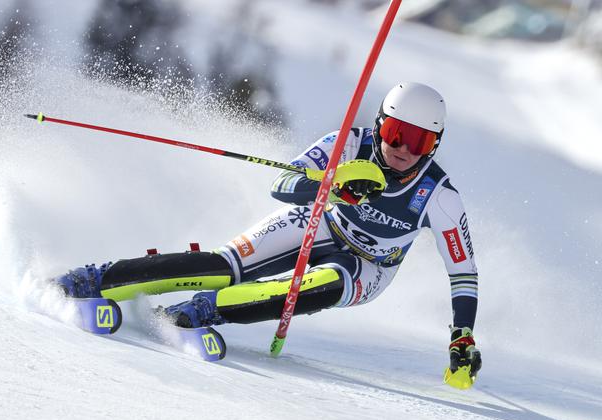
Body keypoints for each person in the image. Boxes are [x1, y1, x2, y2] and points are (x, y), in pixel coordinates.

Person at [56, 82, 481, 377]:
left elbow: (463, 273)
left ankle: (203, 310)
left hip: (370, 266)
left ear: (435, 145)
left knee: (322, 285)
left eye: (419, 141)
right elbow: (282, 184)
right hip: (322, 223)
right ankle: (98, 279)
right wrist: (331, 187)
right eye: (396, 133)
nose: (403, 149)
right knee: (223, 266)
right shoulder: (348, 144)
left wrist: (462, 336)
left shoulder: (440, 196)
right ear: (379, 125)